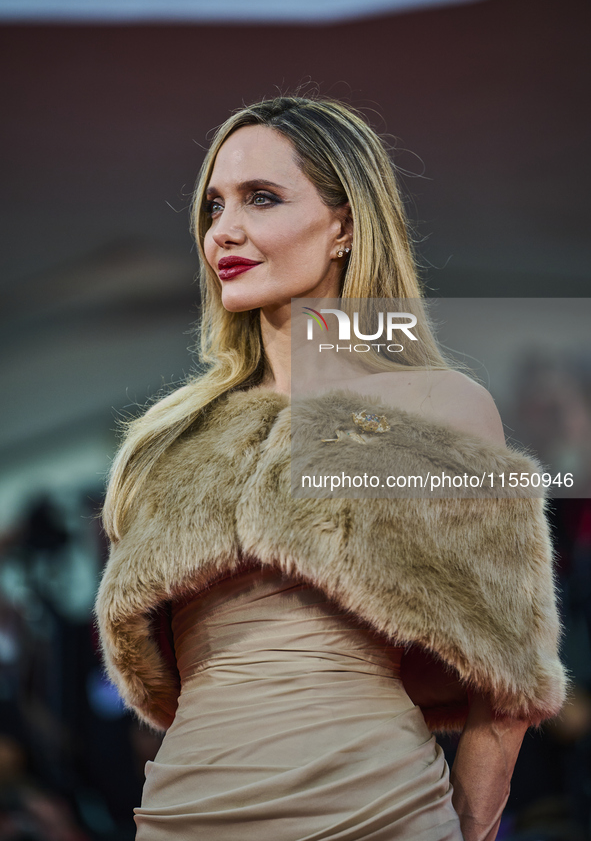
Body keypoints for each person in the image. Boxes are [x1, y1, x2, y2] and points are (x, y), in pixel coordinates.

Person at [95, 96, 567, 841]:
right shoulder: (169, 439)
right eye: (214, 206)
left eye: (262, 198)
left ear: (344, 224)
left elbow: (506, 682)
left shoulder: (434, 404)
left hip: (375, 808)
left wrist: (464, 831)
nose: (225, 230)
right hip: (187, 811)